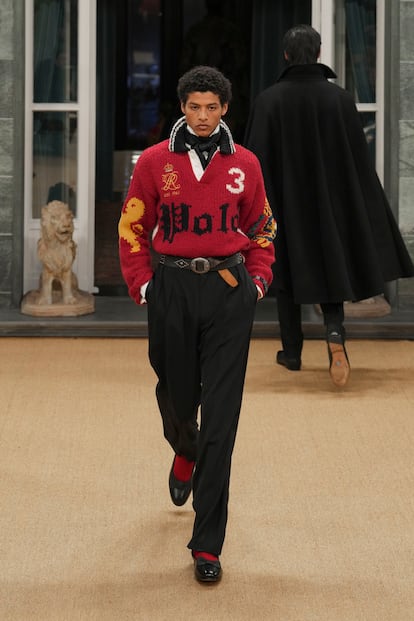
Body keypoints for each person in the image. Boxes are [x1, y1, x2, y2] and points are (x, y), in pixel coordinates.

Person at [118, 65, 276, 583]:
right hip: (173, 288)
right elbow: (132, 223)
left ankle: (207, 545)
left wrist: (257, 281)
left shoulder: (245, 164)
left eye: (211, 107)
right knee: (177, 396)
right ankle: (184, 446)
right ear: (182, 108)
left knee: (223, 422)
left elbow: (262, 226)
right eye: (194, 107)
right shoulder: (155, 162)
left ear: (224, 108)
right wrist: (144, 284)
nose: (203, 116)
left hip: (229, 291)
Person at [244, 24, 414, 387]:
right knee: (331, 268)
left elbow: (254, 162)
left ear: (286, 56)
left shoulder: (268, 101)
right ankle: (335, 334)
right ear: (319, 53)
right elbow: (355, 161)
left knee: (286, 272)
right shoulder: (340, 99)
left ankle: (292, 353)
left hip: (284, 203)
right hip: (330, 202)